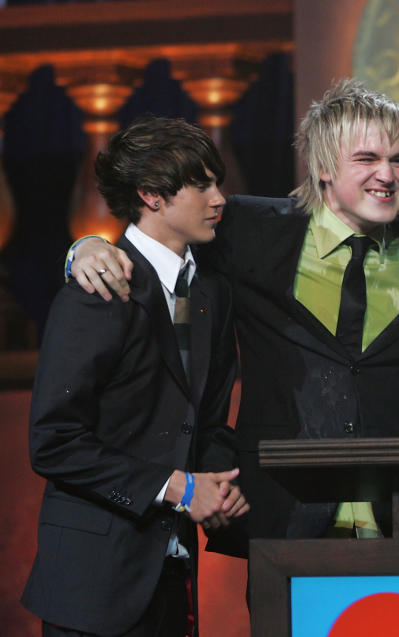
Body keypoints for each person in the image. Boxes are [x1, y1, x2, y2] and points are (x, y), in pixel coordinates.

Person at [68, 79, 399, 546]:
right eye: (368, 159)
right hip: (282, 520)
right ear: (324, 167)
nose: (387, 176)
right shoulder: (247, 230)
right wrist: (85, 247)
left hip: (391, 526)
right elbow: (154, 239)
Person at [22, 116, 248, 637]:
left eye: (219, 182)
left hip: (173, 576)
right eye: (202, 185)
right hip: (92, 588)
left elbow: (205, 421)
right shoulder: (97, 290)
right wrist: (177, 487)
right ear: (151, 195)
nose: (220, 198)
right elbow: (53, 442)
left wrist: (217, 481)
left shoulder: (209, 292)